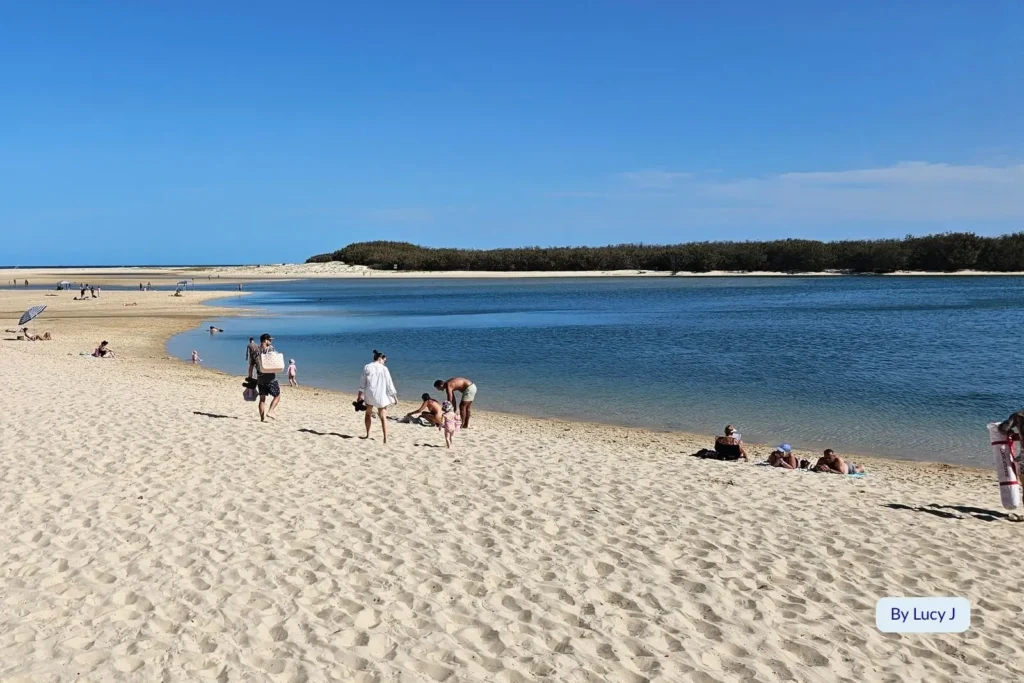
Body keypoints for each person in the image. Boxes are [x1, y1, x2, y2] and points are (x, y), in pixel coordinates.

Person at [358, 349, 398, 442]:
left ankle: (368, 434)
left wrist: (360, 395)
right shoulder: (384, 369)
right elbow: (389, 384)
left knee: (368, 414)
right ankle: (385, 438)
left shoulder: (367, 367)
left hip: (369, 395)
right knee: (383, 417)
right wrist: (395, 397)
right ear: (380, 359)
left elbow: (362, 384)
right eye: (385, 360)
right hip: (381, 396)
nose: (385, 362)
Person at [247, 333, 281, 422]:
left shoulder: (255, 351)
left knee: (262, 399)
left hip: (260, 378)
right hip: (270, 377)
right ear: (265, 340)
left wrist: (250, 379)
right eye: (269, 340)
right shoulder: (271, 349)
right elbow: (277, 359)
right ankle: (271, 411)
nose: (271, 341)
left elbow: (250, 368)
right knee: (277, 396)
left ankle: (262, 418)